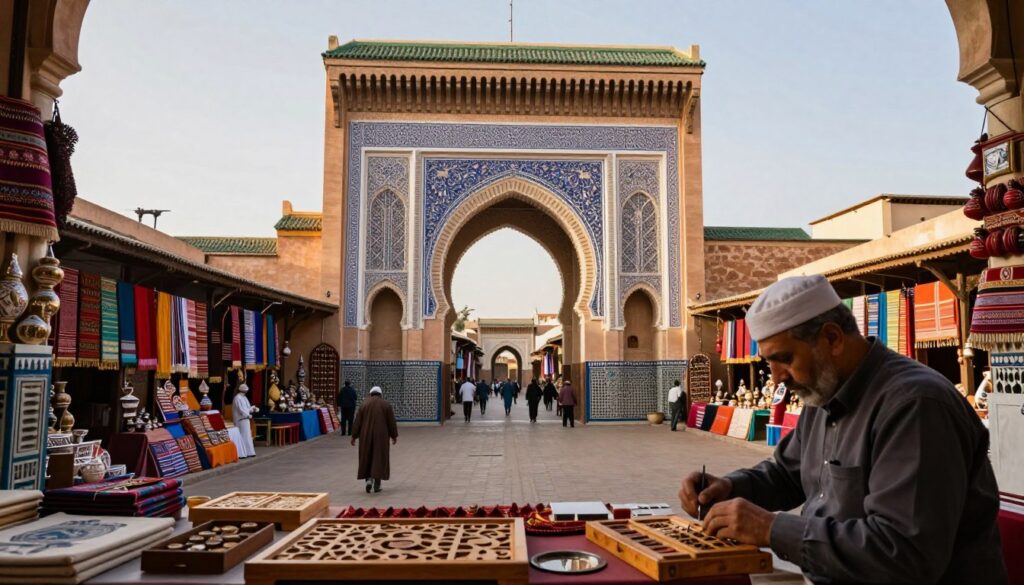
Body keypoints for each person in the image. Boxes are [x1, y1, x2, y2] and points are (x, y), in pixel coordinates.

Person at [677, 275, 1006, 584]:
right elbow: (788, 474)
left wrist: (771, 529)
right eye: (769, 363)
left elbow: (904, 552)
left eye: (784, 358)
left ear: (832, 338)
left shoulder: (914, 405)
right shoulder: (822, 394)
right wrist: (731, 487)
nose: (777, 377)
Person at [350, 386, 398, 493]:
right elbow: (391, 422)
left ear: (370, 394)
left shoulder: (364, 404)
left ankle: (368, 480)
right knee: (379, 457)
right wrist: (394, 436)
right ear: (380, 394)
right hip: (381, 435)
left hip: (365, 435)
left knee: (367, 455)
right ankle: (377, 483)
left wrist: (354, 436)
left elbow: (357, 422)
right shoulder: (386, 405)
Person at [231, 380, 257, 457]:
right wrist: (247, 415)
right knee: (243, 435)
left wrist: (253, 409)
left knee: (247, 435)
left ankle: (249, 452)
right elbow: (241, 410)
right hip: (241, 420)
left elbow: (247, 408)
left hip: (246, 420)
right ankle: (242, 453)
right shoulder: (237, 398)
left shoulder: (244, 398)